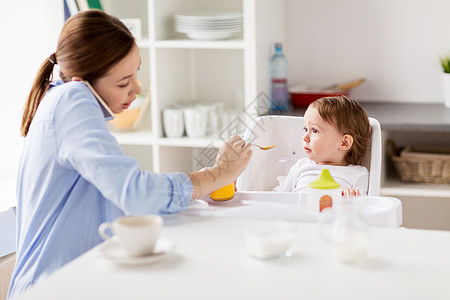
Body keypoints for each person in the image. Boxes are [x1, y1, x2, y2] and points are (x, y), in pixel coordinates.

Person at [8, 10, 252, 299]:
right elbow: (136, 193)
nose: (136, 89)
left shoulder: (61, 101)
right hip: (51, 289)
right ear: (81, 80)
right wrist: (217, 174)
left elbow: (123, 195)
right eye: (123, 83)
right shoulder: (72, 100)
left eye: (136, 73)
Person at [274, 96, 371, 196]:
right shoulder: (301, 166)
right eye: (305, 129)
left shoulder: (357, 174)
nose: (305, 137)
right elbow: (277, 197)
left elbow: (362, 208)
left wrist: (352, 200)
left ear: (344, 143)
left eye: (315, 130)